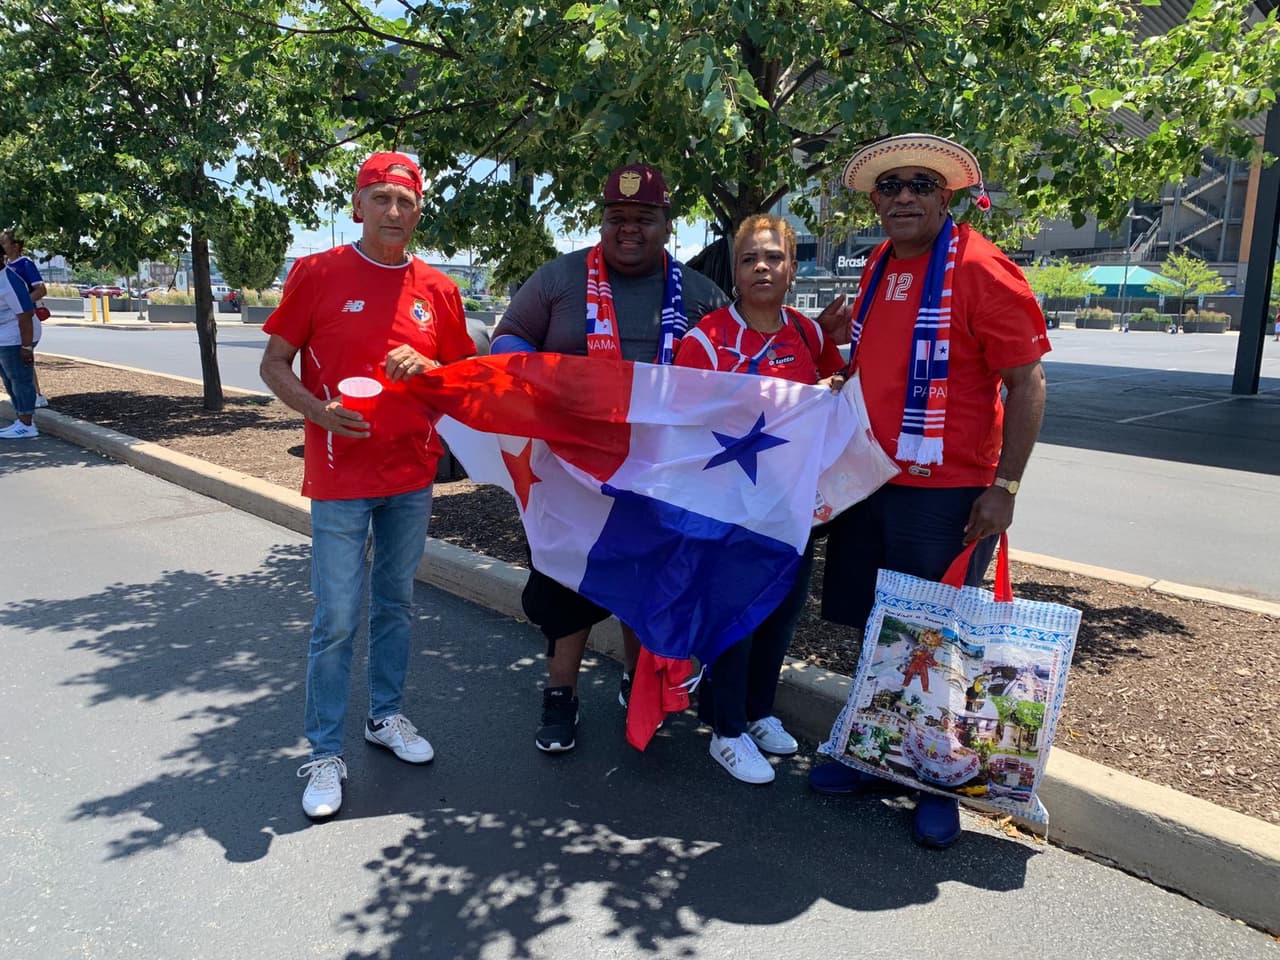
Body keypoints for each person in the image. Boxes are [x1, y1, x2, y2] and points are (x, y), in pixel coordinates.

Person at [813, 134, 1049, 849]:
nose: (904, 196)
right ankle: (875, 754)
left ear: (945, 196)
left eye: (919, 185)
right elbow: (874, 362)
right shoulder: (879, 262)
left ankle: (934, 778)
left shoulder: (984, 270)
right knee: (878, 630)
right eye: (890, 187)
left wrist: (1005, 487)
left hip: (947, 493)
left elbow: (1028, 383)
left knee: (937, 641)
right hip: (871, 479)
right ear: (876, 201)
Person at [259, 151, 477, 819]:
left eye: (404, 201)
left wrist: (432, 363)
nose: (392, 211)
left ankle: (385, 719)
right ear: (358, 206)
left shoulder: (438, 289)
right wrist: (317, 410)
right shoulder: (317, 273)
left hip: (410, 473)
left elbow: (464, 378)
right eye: (380, 198)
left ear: (417, 211)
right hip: (340, 473)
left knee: (396, 607)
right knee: (336, 619)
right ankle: (324, 750)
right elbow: (274, 363)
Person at [490, 162, 731, 754]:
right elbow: (508, 336)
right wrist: (539, 371)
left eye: (643, 219)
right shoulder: (559, 278)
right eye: (617, 218)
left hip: (659, 477)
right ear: (602, 221)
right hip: (570, 474)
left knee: (645, 587)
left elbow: (738, 365)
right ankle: (560, 695)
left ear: (665, 224)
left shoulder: (698, 292)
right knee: (566, 587)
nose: (629, 230)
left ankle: (638, 683)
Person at [674, 213, 844, 784]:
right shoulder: (705, 340)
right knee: (736, 619)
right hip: (730, 512)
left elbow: (839, 395)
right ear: (735, 269)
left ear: (793, 268)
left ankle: (758, 710)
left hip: (792, 510)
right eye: (750, 259)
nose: (762, 267)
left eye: (773, 257)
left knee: (780, 615)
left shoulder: (808, 334)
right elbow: (679, 421)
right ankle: (725, 732)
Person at [0, 230, 49, 408]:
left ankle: (36, 396)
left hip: (24, 320)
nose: (2, 247)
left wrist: (19, 303)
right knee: (17, 365)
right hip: (10, 324)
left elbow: (41, 290)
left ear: (16, 246)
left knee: (22, 360)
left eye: (4, 243)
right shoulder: (6, 267)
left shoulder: (25, 264)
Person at [0, 255, 40, 439]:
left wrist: (26, 347)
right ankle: (21, 419)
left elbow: (25, 314)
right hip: (4, 338)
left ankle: (27, 424)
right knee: (10, 381)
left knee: (20, 380)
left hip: (15, 338)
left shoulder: (9, 280)